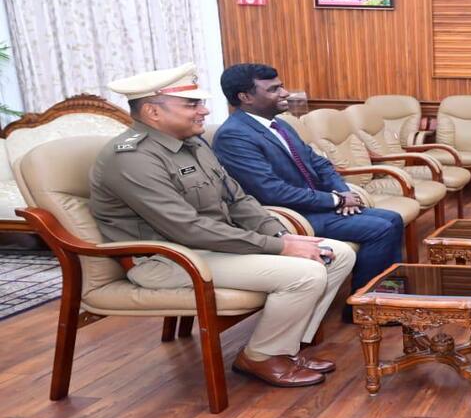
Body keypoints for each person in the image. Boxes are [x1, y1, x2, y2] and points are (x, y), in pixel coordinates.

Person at [90, 63, 354, 388]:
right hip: (167, 259)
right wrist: (280, 247)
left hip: (212, 247)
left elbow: (237, 199)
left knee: (337, 254)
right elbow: (187, 229)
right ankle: (262, 356)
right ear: (152, 112)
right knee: (306, 273)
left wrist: (279, 234)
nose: (204, 110)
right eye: (192, 104)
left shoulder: (194, 143)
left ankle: (285, 347)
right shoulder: (132, 158)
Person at [212, 63, 405, 291]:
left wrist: (343, 192)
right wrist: (336, 200)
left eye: (281, 86)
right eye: (273, 89)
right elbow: (271, 191)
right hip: (288, 215)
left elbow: (318, 163)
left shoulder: (280, 124)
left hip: (314, 204)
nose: (285, 93)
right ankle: (364, 300)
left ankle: (389, 293)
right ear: (245, 97)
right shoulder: (233, 136)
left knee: (393, 219)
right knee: (380, 228)